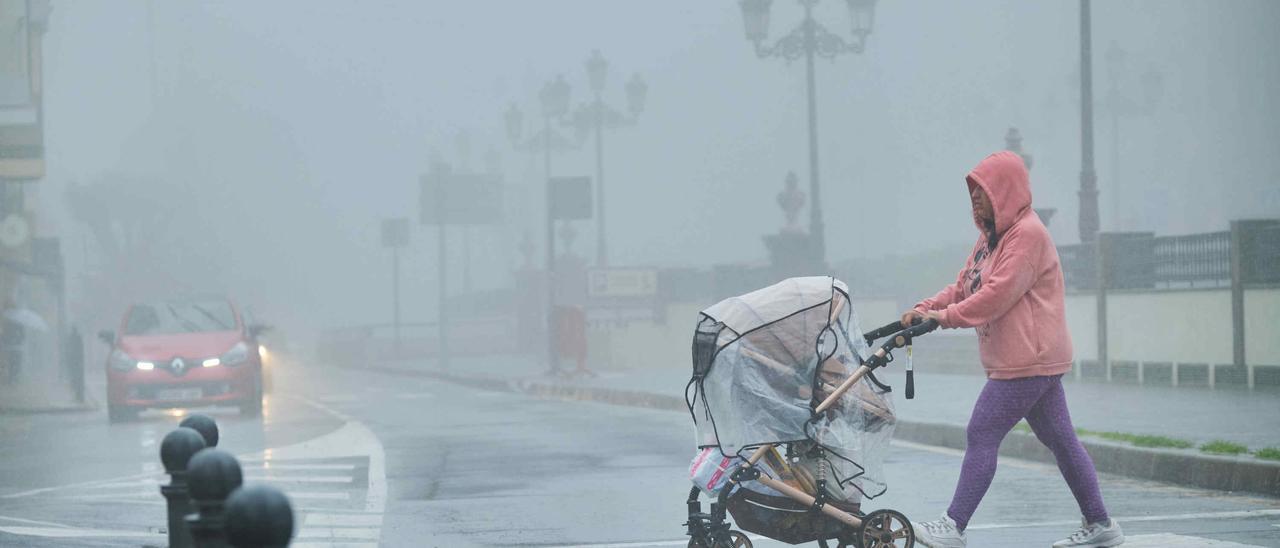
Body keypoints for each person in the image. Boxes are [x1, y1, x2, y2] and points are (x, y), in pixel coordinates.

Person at [902, 151, 1122, 548]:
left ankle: (953, 525)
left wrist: (944, 318)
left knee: (982, 431)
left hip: (1029, 359)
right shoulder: (990, 239)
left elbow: (997, 295)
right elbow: (964, 285)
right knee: (1061, 439)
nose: (974, 199)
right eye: (971, 192)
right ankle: (1101, 524)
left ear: (1004, 191)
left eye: (982, 191)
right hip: (1026, 359)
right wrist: (926, 308)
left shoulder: (1028, 235)